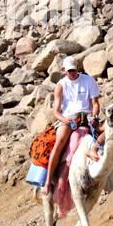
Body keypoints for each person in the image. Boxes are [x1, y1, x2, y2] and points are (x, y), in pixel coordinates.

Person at [44, 55, 101, 194]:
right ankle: (48, 182)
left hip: (87, 116)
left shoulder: (88, 80)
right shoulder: (61, 86)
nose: (72, 73)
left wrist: (94, 117)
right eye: (69, 71)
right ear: (64, 70)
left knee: (109, 133)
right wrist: (63, 120)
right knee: (60, 142)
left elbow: (95, 104)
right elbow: (56, 112)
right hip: (69, 118)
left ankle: (105, 179)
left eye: (74, 70)